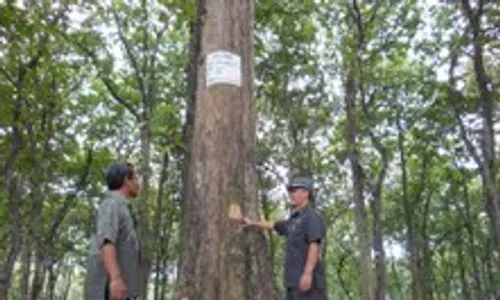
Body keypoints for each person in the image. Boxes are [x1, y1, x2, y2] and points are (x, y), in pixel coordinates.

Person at [243, 177, 327, 300]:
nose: (291, 194)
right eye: (290, 191)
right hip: (292, 282)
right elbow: (275, 225)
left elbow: (314, 245)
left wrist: (307, 274)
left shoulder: (311, 216)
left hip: (309, 283)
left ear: (306, 193)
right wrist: (253, 222)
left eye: (294, 191)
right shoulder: (293, 220)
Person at [84, 162, 141, 300]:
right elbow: (107, 241)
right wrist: (115, 279)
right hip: (106, 288)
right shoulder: (112, 203)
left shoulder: (121, 206)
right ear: (126, 180)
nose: (138, 183)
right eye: (136, 178)